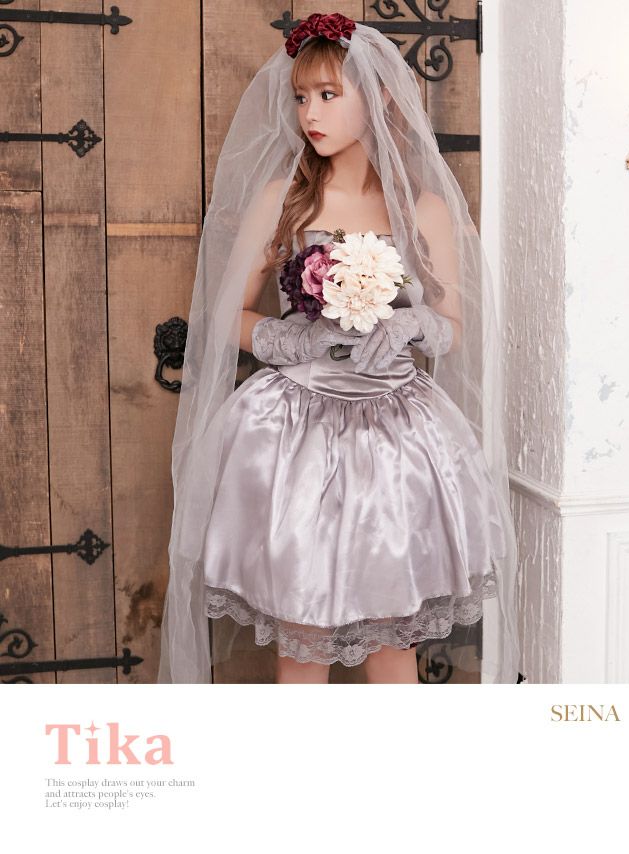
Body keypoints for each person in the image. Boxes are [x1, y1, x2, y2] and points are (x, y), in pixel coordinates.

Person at [157, 13, 521, 684]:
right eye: (301, 97)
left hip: (398, 441)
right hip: (293, 435)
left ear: (378, 97)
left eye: (328, 95)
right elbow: (224, 315)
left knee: (392, 645)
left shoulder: (422, 209)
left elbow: (455, 324)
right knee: (303, 640)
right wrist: (288, 336)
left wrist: (414, 327)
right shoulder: (283, 200)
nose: (310, 114)